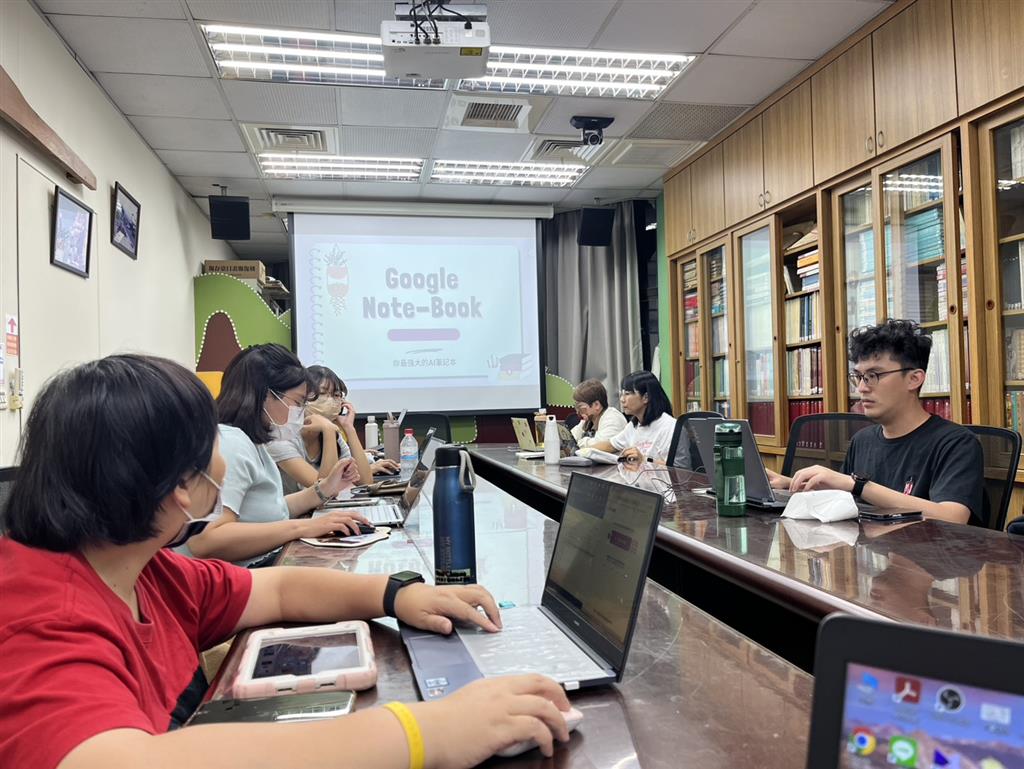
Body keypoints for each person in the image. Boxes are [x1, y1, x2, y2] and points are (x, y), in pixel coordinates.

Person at [0, 354, 572, 769]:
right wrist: (428, 733)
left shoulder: (145, 569)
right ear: (176, 487)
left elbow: (275, 591)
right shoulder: (38, 620)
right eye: (209, 446)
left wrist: (398, 594)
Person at [767, 320, 983, 524]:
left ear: (914, 379)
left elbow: (954, 517)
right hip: (866, 548)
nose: (862, 388)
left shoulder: (956, 443)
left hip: (925, 551)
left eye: (874, 375)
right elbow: (844, 497)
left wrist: (858, 485)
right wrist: (791, 483)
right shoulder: (862, 440)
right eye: (859, 377)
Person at [184, 344, 369, 567]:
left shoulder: (252, 443)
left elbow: (272, 510)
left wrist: (324, 489)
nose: (301, 412)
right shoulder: (230, 444)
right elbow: (206, 541)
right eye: (298, 402)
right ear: (265, 395)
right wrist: (303, 527)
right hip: (238, 576)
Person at [268, 364, 398, 493]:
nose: (331, 400)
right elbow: (324, 491)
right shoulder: (282, 438)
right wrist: (328, 429)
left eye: (336, 395)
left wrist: (349, 428)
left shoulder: (333, 436)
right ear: (302, 398)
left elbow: (365, 481)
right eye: (322, 393)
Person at [589, 370, 679, 465]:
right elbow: (611, 445)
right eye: (622, 394)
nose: (622, 399)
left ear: (646, 397)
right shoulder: (634, 425)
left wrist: (644, 460)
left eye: (627, 394)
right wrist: (583, 452)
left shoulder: (669, 426)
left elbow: (677, 468)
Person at [569, 378, 627, 449]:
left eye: (582, 408)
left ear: (597, 405)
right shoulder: (588, 420)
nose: (578, 412)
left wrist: (576, 443)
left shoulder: (613, 419)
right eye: (576, 408)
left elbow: (599, 446)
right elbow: (571, 438)